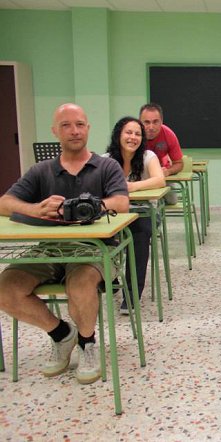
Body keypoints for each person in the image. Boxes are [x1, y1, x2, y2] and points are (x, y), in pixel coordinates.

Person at [0, 103, 129, 384]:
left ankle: (87, 344)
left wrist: (87, 206)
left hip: (93, 248)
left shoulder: (107, 166)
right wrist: (36, 209)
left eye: (80, 124)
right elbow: (5, 203)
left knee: (80, 282)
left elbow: (121, 201)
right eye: (67, 125)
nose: (74, 131)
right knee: (6, 288)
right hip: (48, 249)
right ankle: (61, 334)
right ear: (55, 131)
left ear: (88, 128)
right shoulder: (41, 170)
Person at [104, 117, 166, 314]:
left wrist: (131, 187)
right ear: (118, 135)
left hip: (143, 211)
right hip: (114, 213)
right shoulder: (105, 160)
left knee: (139, 233)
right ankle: (109, 276)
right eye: (128, 133)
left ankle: (131, 296)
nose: (133, 137)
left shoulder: (148, 157)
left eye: (137, 134)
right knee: (102, 235)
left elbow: (159, 180)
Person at [139, 103, 183, 204]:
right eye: (146, 122)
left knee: (172, 201)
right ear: (140, 123)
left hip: (161, 174)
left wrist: (168, 171)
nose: (151, 127)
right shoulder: (134, 136)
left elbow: (179, 163)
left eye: (155, 122)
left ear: (161, 122)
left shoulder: (169, 134)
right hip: (139, 173)